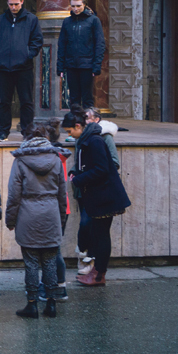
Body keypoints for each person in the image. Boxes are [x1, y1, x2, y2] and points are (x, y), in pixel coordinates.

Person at [63, 105, 131, 287]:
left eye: (70, 131)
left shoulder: (94, 141)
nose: (69, 135)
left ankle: (99, 275)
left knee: (101, 236)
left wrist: (78, 179)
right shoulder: (88, 139)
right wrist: (76, 173)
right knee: (99, 234)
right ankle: (96, 272)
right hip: (100, 194)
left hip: (105, 195)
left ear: (78, 126)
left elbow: (102, 169)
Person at [6, 123, 67, 319]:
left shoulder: (21, 161)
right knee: (49, 261)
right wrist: (61, 219)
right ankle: (51, 304)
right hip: (50, 215)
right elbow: (62, 193)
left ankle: (31, 304)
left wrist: (10, 220)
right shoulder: (56, 159)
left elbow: (14, 195)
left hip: (27, 215)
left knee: (31, 262)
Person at [71, 106, 120, 275]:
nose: (85, 121)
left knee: (93, 227)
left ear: (96, 120)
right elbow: (81, 160)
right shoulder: (82, 137)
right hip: (84, 188)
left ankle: (93, 265)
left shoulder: (101, 138)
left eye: (88, 117)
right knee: (87, 226)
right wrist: (74, 171)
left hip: (97, 190)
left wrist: (84, 177)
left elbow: (111, 163)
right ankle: (88, 260)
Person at [0, 0, 43, 142]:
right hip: (4, 68)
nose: (13, 7)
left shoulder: (31, 20)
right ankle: (3, 132)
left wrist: (27, 55)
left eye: (16, 4)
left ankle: (28, 133)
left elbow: (37, 41)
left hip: (24, 68)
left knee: (26, 101)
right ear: (7, 2)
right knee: (4, 102)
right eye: (11, 4)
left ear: (22, 2)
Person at [39, 119, 72, 302]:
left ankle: (55, 287)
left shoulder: (48, 156)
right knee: (55, 248)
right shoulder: (60, 154)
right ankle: (59, 286)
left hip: (51, 206)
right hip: (62, 206)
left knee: (51, 250)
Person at [57, 0, 105, 109]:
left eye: (78, 6)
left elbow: (99, 43)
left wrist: (96, 65)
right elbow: (62, 44)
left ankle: (88, 125)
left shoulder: (93, 20)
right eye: (73, 6)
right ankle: (76, 124)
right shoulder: (67, 22)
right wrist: (60, 66)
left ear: (84, 4)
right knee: (73, 98)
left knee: (87, 98)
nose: (76, 9)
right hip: (71, 64)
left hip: (87, 65)